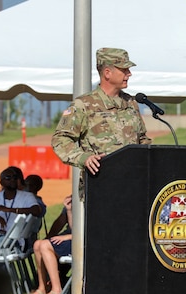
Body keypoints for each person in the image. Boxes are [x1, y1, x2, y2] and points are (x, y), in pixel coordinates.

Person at [51, 47, 151, 197]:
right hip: (100, 186)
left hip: (133, 185)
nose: (129, 74)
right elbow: (60, 139)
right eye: (124, 70)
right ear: (107, 73)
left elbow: (142, 139)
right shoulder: (83, 105)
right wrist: (84, 158)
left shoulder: (131, 103)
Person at [30, 195, 72, 294]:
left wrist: (70, 236)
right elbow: (64, 222)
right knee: (37, 244)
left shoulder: (93, 201)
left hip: (81, 239)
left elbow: (92, 229)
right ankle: (42, 288)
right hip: (71, 235)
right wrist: (69, 210)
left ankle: (56, 290)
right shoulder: (74, 200)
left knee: (45, 245)